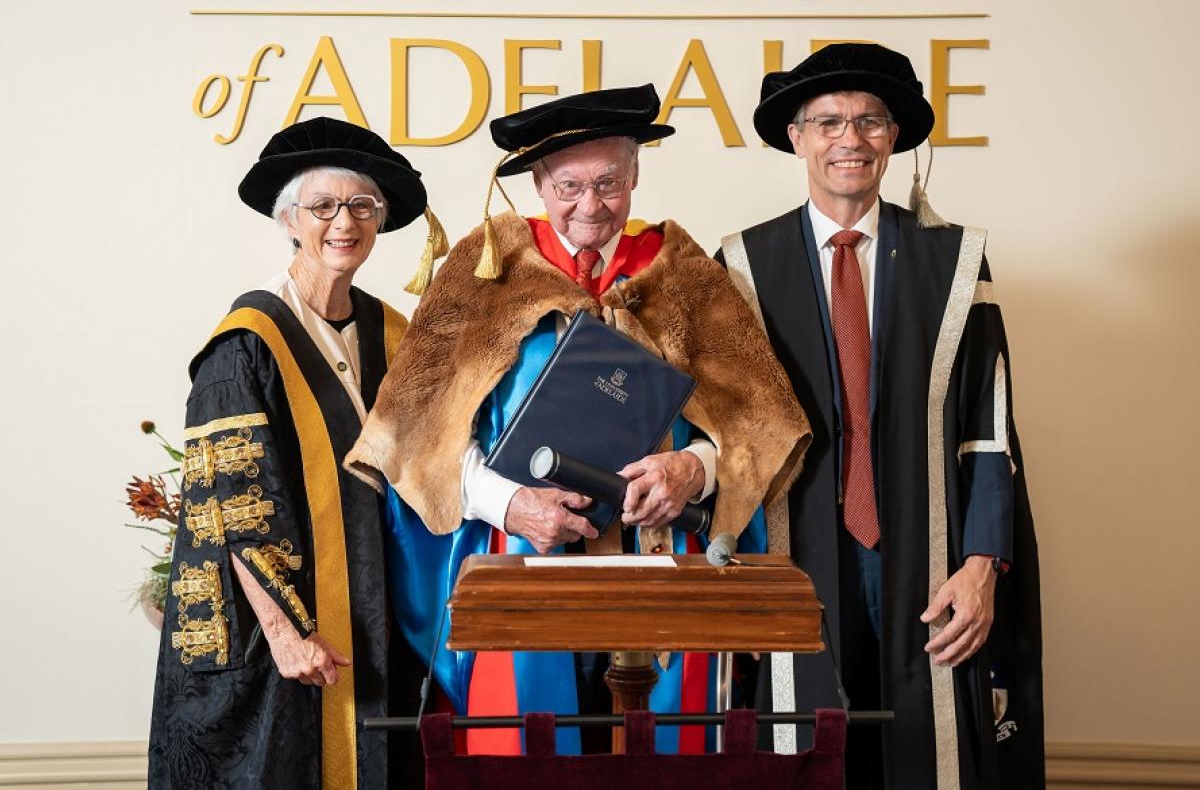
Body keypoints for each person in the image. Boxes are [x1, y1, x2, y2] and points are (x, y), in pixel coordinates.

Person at [345, 84, 811, 755]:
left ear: (636, 176)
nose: (589, 205)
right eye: (568, 185)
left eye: (609, 183)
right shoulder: (488, 267)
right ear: (537, 182)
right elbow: (416, 431)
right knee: (532, 753)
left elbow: (759, 421)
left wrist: (694, 469)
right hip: (525, 557)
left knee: (667, 758)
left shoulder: (679, 267)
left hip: (665, 558)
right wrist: (510, 505)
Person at [717, 43, 1044, 788]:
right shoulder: (742, 264)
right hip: (793, 550)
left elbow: (988, 429)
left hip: (927, 546)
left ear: (894, 137)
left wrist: (980, 564)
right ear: (796, 137)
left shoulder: (952, 260)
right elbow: (725, 429)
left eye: (869, 121)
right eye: (828, 121)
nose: (849, 140)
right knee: (806, 745)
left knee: (925, 746)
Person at [148, 117, 440, 789]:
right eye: (324, 206)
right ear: (289, 220)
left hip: (376, 613)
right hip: (278, 637)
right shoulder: (247, 343)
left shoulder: (388, 332)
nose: (345, 222)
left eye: (363, 206)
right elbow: (232, 508)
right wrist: (285, 634)